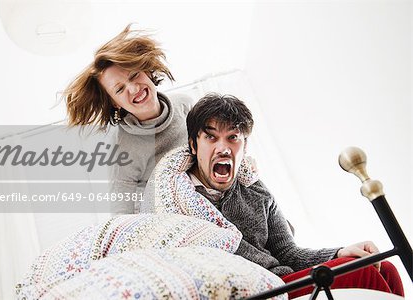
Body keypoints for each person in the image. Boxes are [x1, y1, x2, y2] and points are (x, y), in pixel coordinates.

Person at [145, 93, 404, 299]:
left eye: (233, 137)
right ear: (193, 144)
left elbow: (288, 252)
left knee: (387, 268)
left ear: (244, 147)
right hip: (253, 291)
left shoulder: (256, 190)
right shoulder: (175, 198)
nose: (223, 148)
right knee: (362, 274)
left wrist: (339, 253)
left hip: (283, 281)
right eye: (211, 137)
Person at [63, 24, 192, 213]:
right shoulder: (121, 147)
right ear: (115, 103)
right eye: (119, 89)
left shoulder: (185, 105)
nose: (133, 89)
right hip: (167, 216)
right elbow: (120, 210)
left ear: (147, 71)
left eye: (134, 75)